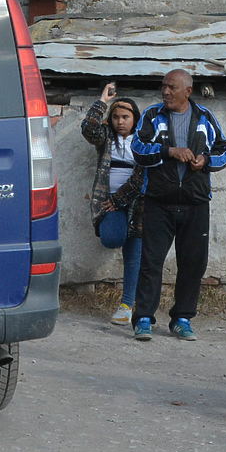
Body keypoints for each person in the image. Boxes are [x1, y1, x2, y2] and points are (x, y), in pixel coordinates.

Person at [129, 69, 226, 342]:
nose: (165, 92)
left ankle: (182, 318)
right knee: (151, 262)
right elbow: (137, 149)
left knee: (193, 264)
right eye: (163, 87)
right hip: (159, 202)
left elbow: (224, 151)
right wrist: (168, 152)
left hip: (196, 203)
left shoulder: (205, 118)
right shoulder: (152, 115)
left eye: (172, 87)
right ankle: (143, 319)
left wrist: (206, 160)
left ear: (188, 91)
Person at [80, 81, 145, 325]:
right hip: (109, 203)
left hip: (137, 202)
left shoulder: (143, 140)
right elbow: (88, 129)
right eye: (116, 116)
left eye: (125, 117)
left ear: (134, 118)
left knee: (134, 254)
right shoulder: (106, 137)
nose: (120, 121)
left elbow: (142, 176)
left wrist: (121, 200)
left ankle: (127, 305)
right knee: (112, 238)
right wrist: (102, 102)